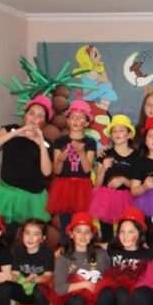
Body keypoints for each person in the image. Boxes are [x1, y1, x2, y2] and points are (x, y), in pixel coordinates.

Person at [0, 95, 52, 243]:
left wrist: (40, 142)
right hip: (8, 195)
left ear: (44, 122)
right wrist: (16, 133)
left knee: (31, 240)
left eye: (40, 116)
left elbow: (47, 172)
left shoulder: (46, 142)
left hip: (33, 199)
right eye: (31, 113)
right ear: (25, 115)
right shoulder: (10, 129)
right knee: (3, 237)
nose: (34, 118)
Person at [89, 207, 150, 305]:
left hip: (130, 295)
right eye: (122, 231)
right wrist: (65, 249)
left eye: (130, 232)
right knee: (104, 292)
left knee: (123, 291)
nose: (125, 236)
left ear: (139, 233)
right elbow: (93, 245)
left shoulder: (145, 253)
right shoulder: (113, 248)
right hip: (111, 289)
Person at [46, 100, 97, 242]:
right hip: (64, 188)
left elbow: (87, 169)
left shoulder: (90, 142)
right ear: (67, 120)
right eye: (73, 117)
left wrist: (81, 153)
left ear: (86, 123)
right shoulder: (60, 141)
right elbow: (57, 170)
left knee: (82, 223)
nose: (76, 120)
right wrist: (60, 160)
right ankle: (66, 249)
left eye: (81, 118)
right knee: (65, 225)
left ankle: (83, 250)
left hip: (82, 188)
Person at [89, 114, 139, 244]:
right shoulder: (105, 154)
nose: (117, 134)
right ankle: (108, 254)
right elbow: (97, 184)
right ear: (111, 136)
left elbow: (138, 184)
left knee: (128, 230)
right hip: (105, 198)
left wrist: (123, 180)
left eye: (121, 130)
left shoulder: (137, 156)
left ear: (129, 135)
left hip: (128, 198)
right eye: (114, 131)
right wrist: (104, 168)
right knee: (107, 234)